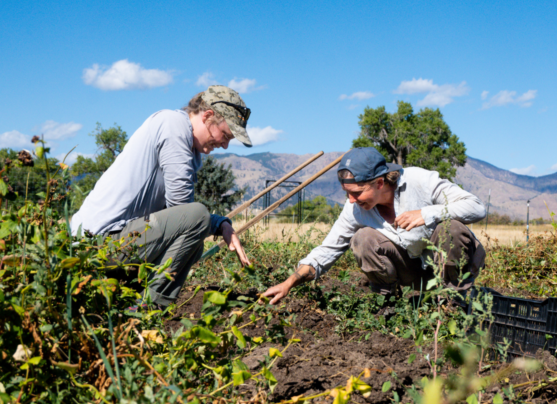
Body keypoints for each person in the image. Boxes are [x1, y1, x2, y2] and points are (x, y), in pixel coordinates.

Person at [71, 85, 252, 309]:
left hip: (111, 242)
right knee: (197, 218)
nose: (224, 145)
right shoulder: (173, 126)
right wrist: (215, 223)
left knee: (194, 242)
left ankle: (128, 295)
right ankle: (146, 309)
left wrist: (221, 224)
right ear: (207, 116)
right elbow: (185, 211)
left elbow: (177, 216)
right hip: (97, 244)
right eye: (225, 135)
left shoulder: (187, 143)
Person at [262, 147, 487, 305]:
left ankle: (451, 303)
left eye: (357, 193)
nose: (351, 200)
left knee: (452, 229)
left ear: (380, 183)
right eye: (347, 193)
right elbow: (328, 250)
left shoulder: (420, 181)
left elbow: (476, 207)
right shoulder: (356, 209)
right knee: (364, 238)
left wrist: (427, 213)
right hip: (413, 273)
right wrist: (289, 283)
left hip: (447, 269)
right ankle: (386, 304)